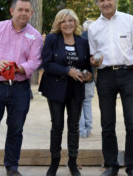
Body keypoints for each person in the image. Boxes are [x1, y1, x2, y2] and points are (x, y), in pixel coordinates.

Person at [0, 0, 43, 176]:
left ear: (32, 13)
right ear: (12, 11)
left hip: (20, 88)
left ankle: (12, 168)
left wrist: (19, 68)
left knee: (16, 130)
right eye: (20, 9)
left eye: (27, 10)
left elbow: (35, 61)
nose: (23, 13)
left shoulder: (35, 35)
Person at [88, 0, 133, 176]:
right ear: (97, 3)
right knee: (107, 123)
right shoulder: (93, 28)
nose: (106, 3)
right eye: (102, 0)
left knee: (132, 122)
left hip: (128, 74)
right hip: (104, 76)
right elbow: (93, 55)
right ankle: (111, 165)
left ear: (115, 0)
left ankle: (132, 166)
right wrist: (93, 62)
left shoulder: (129, 20)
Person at [39, 9, 92, 176]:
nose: (67, 24)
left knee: (74, 127)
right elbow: (47, 64)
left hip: (76, 88)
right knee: (57, 126)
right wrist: (68, 71)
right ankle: (54, 162)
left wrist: (89, 75)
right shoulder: (53, 39)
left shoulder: (82, 41)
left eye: (71, 20)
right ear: (58, 24)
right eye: (63, 21)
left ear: (75, 22)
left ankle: (72, 162)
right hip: (55, 88)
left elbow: (87, 66)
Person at [79, 19, 95, 138]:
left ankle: (81, 130)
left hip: (78, 74)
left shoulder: (78, 38)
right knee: (87, 102)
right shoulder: (95, 40)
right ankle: (88, 128)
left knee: (78, 102)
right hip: (90, 75)